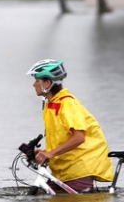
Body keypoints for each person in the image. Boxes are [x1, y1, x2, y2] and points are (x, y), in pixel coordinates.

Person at [26, 59, 114, 193]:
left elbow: (79, 137)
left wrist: (50, 153)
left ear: (47, 83)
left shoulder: (67, 104)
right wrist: (43, 152)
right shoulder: (52, 105)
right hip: (64, 170)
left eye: (37, 80)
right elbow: (62, 138)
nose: (34, 84)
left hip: (79, 169)